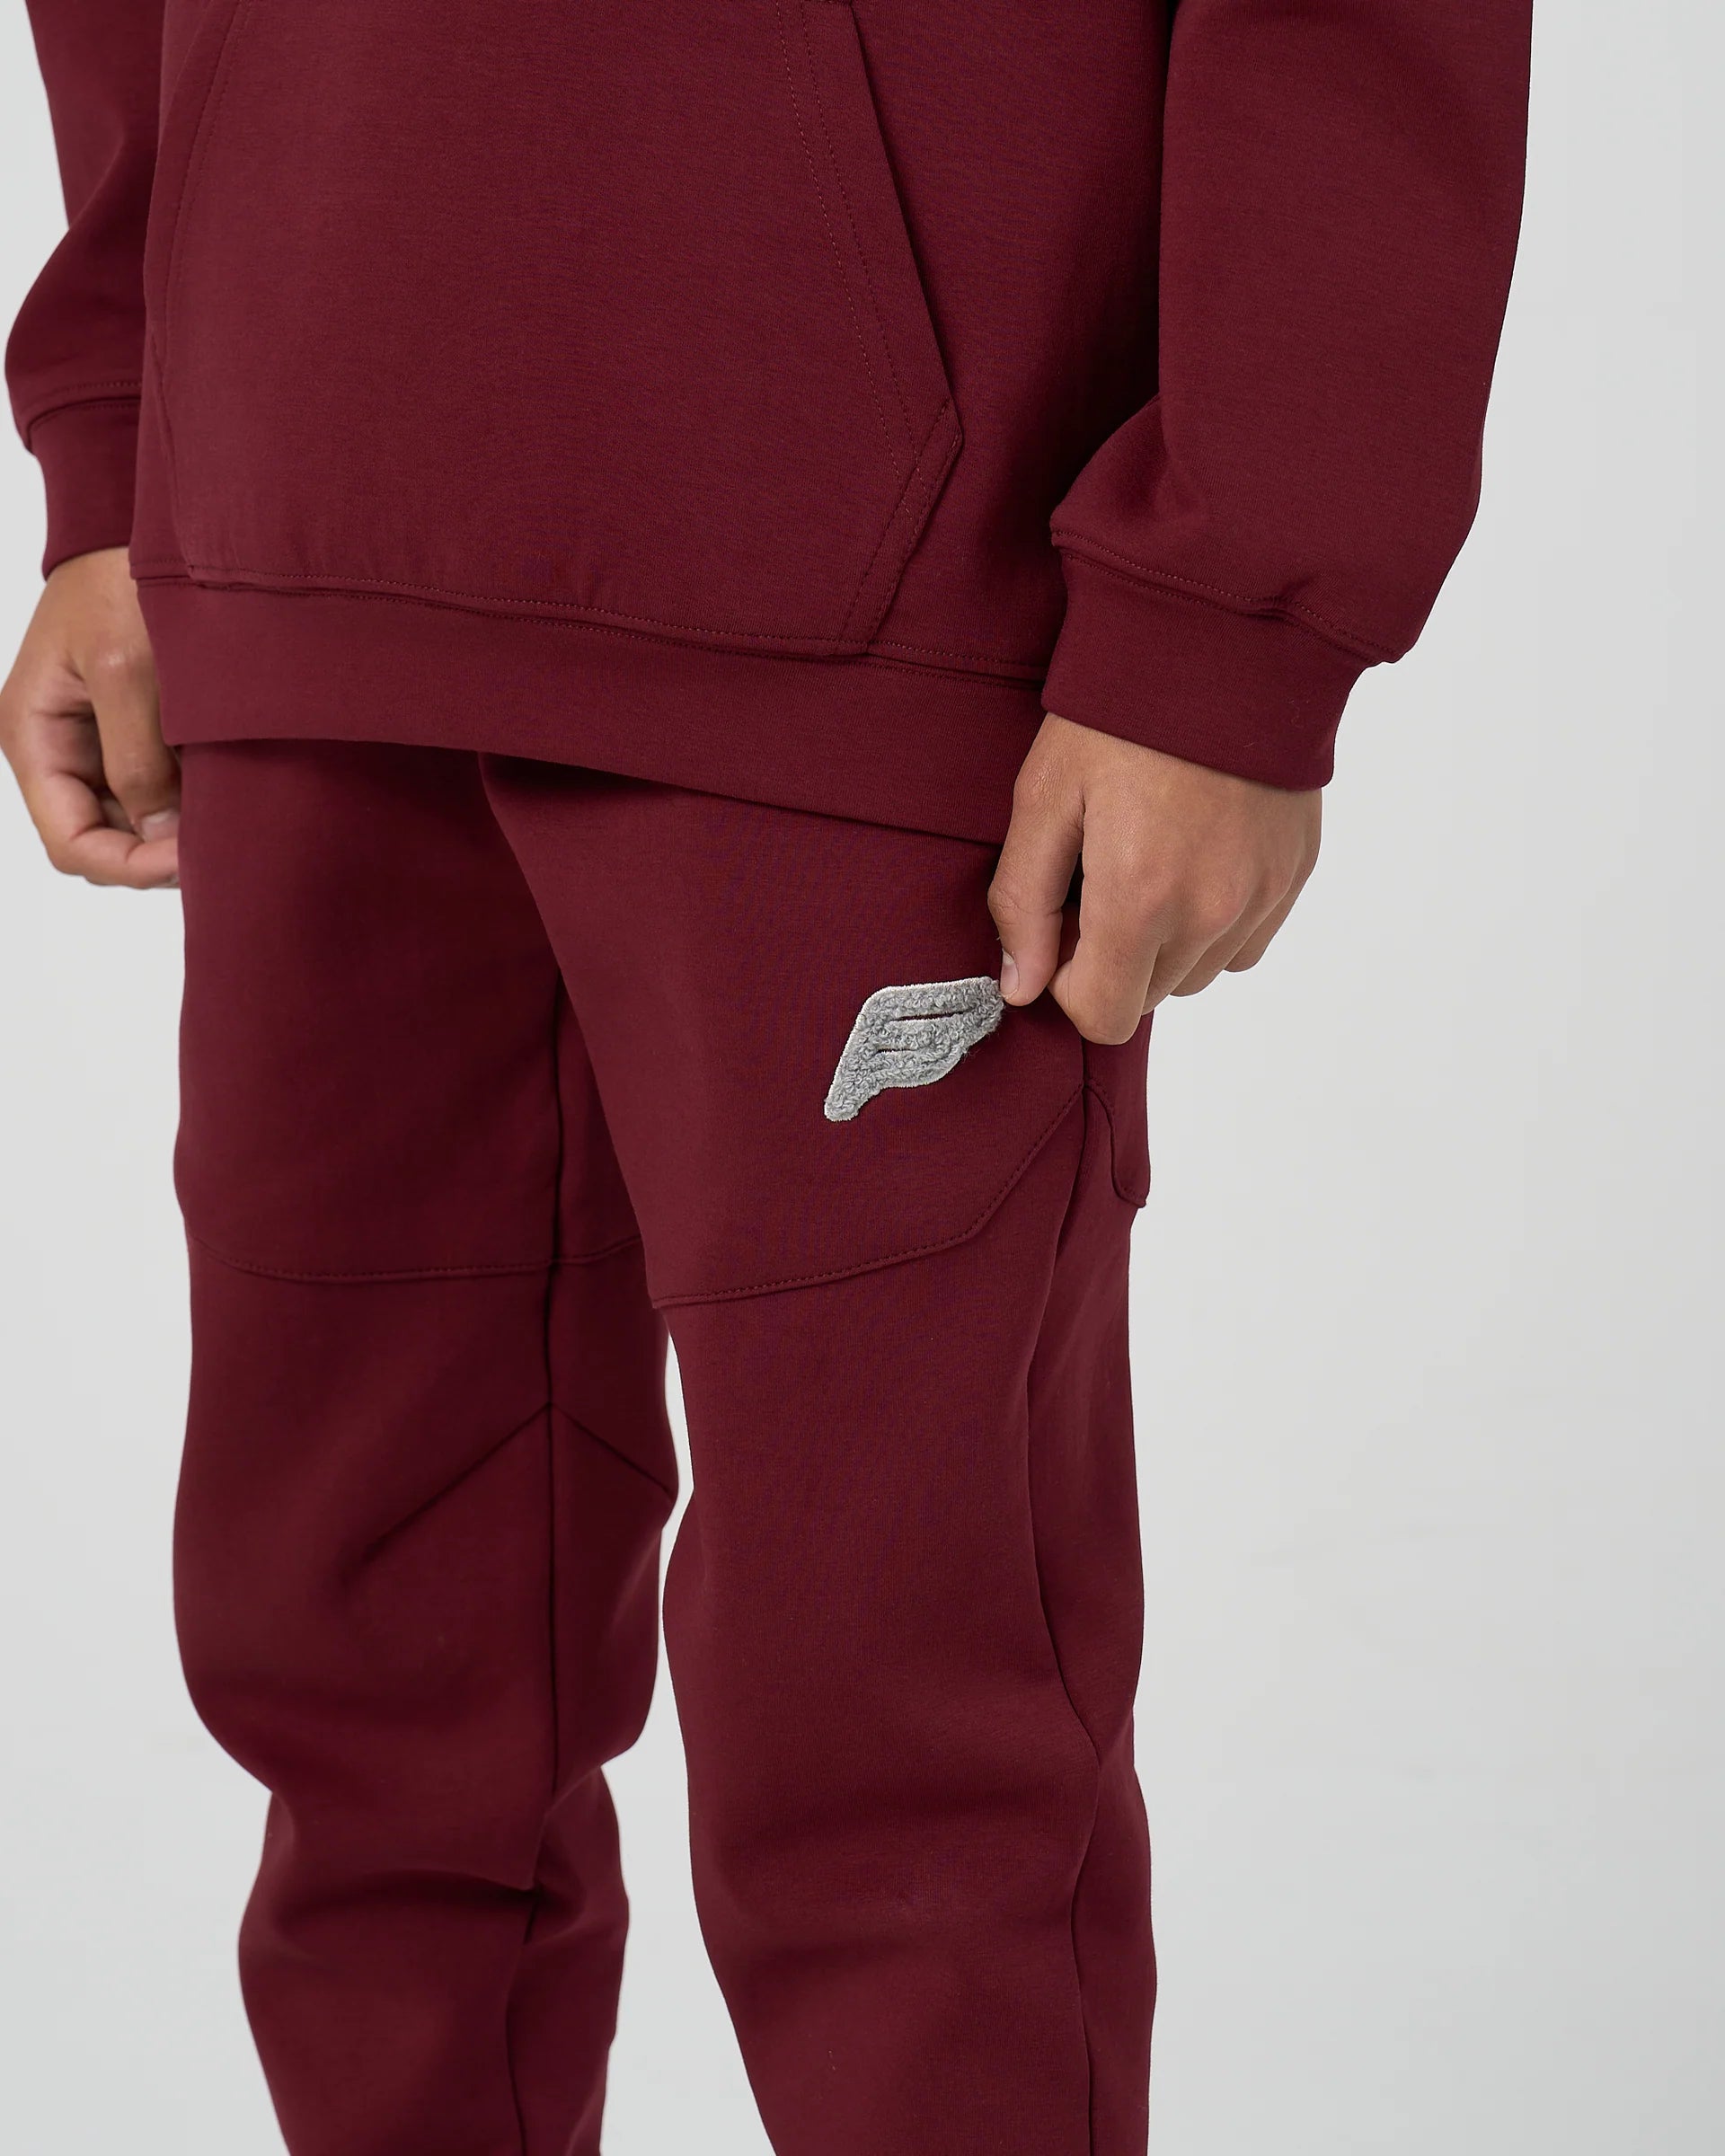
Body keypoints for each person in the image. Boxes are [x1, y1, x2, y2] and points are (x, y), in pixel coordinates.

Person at [1, 4, 1532, 2152]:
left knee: (896, 1755)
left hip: (876, 556)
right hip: (293, 516)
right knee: (364, 1706)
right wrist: (125, 436)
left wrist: (1236, 616)